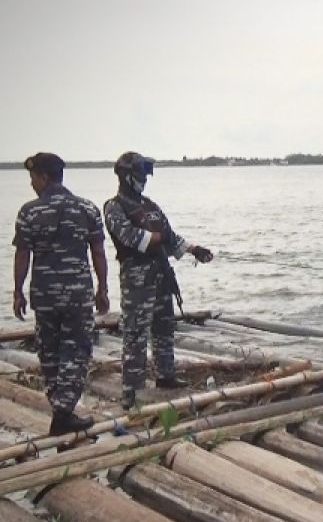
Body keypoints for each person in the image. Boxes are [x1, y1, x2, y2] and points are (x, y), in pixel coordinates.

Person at [104, 152, 213, 409]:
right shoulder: (114, 206)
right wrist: (158, 237)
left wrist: (196, 250)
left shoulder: (151, 206)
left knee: (164, 329)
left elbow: (171, 238)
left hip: (162, 275)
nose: (144, 179)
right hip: (137, 281)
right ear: (126, 175)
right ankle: (132, 392)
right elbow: (132, 238)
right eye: (140, 173)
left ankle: (166, 376)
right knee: (135, 335)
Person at [11, 153, 109, 434]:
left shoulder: (29, 212)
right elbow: (98, 252)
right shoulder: (87, 209)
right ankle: (63, 411)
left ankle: (60, 408)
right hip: (77, 293)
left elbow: (22, 255)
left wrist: (17, 292)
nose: (31, 184)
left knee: (49, 350)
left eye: (33, 178)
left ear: (44, 177)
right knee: (77, 350)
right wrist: (103, 288)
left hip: (45, 293)